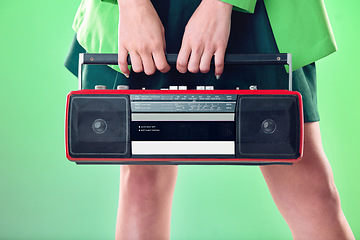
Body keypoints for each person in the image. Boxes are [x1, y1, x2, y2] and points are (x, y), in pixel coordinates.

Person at [65, 0, 355, 239]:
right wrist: (134, 7)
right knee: (141, 181)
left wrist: (220, 4)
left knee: (307, 182)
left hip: (256, 9)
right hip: (142, 11)